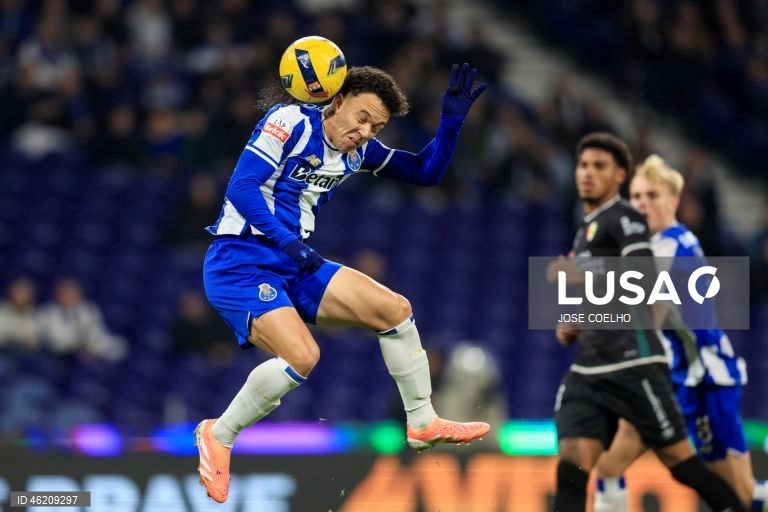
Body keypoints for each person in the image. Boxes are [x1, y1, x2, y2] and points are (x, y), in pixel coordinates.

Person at [195, 63, 491, 504]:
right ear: (337, 100)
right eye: (363, 116)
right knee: (303, 356)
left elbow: (425, 173)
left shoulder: (357, 153)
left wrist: (450, 123)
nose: (367, 131)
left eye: (377, 125)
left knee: (396, 310)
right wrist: (292, 246)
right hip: (241, 260)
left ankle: (422, 421)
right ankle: (219, 434)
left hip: (294, 263)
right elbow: (242, 189)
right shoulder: (290, 120)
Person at [547, 133, 745, 512]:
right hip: (590, 370)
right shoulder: (585, 232)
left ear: (620, 174)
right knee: (575, 466)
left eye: (599, 166)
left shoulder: (627, 220)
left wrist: (573, 279)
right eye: (583, 165)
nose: (588, 173)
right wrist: (571, 321)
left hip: (636, 365)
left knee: (683, 465)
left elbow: (641, 287)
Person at [592, 155, 768, 512]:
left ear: (673, 201)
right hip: (670, 380)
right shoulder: (657, 248)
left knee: (740, 494)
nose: (642, 203)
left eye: (652, 196)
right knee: (610, 463)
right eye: (637, 196)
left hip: (706, 381)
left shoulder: (672, 247)